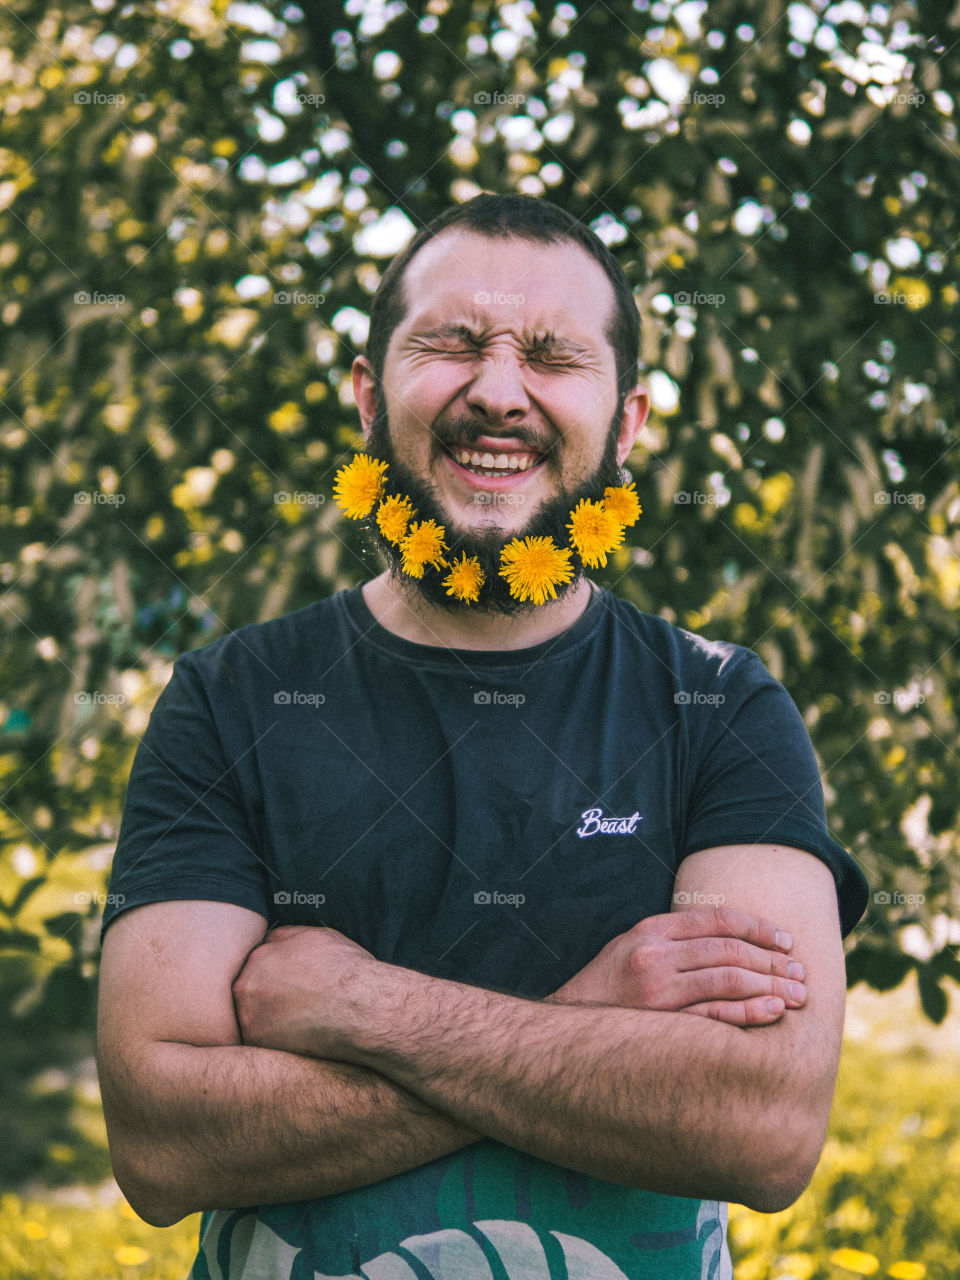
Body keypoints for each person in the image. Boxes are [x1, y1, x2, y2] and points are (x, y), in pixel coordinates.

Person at [97, 193, 868, 1280]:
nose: (499, 392)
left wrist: (362, 1006)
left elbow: (762, 1123)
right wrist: (595, 1018)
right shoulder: (230, 700)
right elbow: (163, 1143)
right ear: (369, 396)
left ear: (628, 423)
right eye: (453, 344)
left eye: (552, 356)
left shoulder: (720, 705)